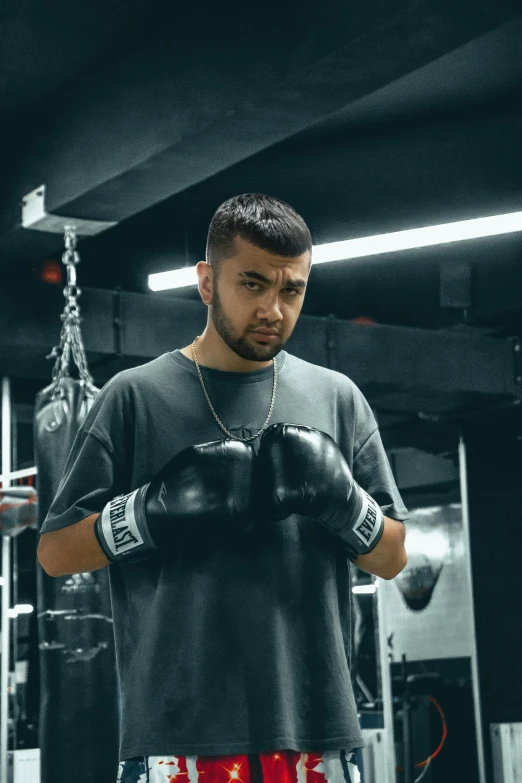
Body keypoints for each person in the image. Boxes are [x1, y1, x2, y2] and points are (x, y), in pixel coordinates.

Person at [37, 193, 409, 783]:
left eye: (292, 290)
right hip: (178, 729)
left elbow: (391, 556)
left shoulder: (338, 398)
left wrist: (343, 501)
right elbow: (55, 553)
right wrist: (149, 513)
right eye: (253, 284)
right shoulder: (134, 397)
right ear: (207, 282)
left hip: (317, 726)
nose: (273, 310)